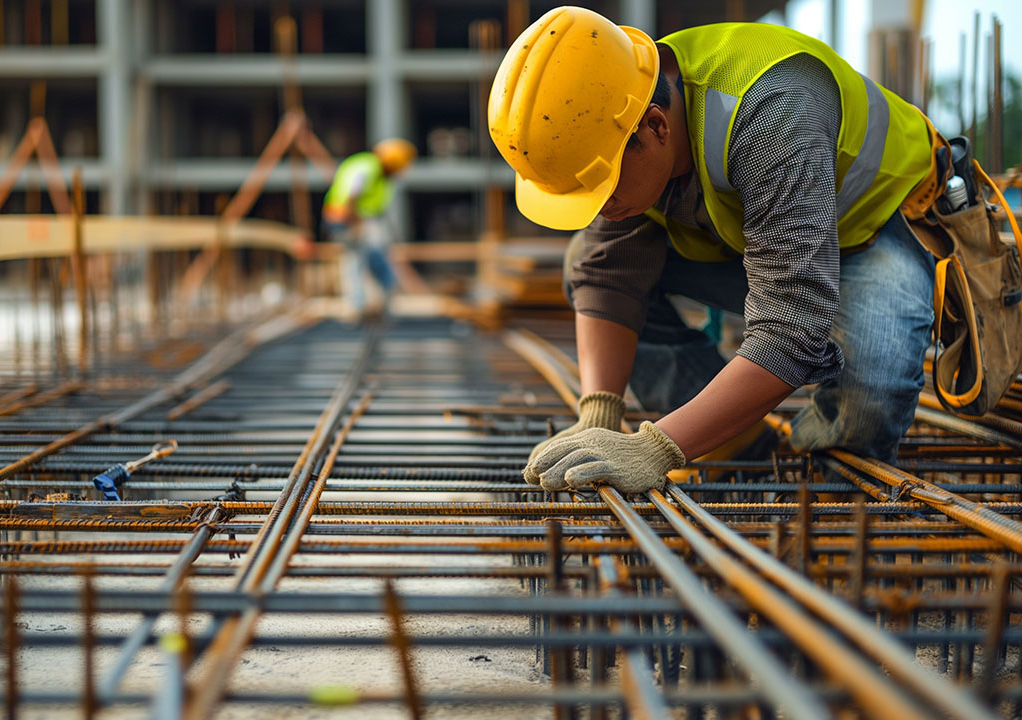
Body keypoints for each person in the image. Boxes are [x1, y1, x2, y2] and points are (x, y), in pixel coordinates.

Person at [488, 7, 944, 495]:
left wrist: (656, 448)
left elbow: (792, 326)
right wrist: (598, 410)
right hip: (763, 236)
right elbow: (608, 274)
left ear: (657, 128)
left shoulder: (770, 113)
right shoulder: (615, 103)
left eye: (601, 187)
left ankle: (834, 499)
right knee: (584, 256)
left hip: (873, 227)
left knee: (872, 395)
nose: (599, 207)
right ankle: (741, 443)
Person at [322, 138, 416, 319]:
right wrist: (355, 222)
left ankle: (374, 305)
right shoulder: (368, 167)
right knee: (357, 261)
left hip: (360, 219)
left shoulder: (379, 173)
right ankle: (359, 307)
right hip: (348, 218)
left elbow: (374, 204)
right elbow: (352, 194)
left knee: (367, 260)